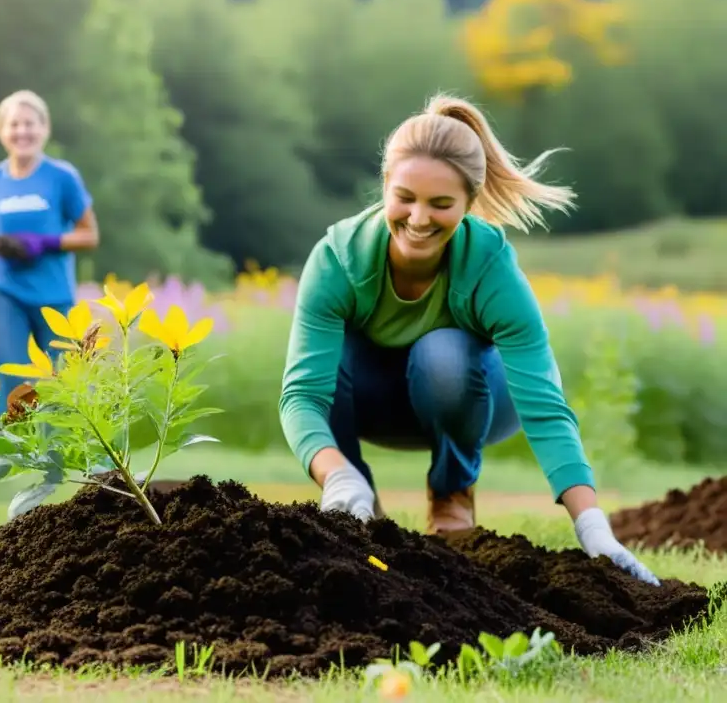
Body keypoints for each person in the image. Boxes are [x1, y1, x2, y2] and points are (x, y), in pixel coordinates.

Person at [278, 93, 660, 586]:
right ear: (385, 186)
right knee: (336, 360)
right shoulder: (338, 259)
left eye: (441, 204)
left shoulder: (489, 265)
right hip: (370, 400)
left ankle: (452, 494)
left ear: (469, 204)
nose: (418, 219)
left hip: (473, 397)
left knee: (445, 354)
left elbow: (545, 406)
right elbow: (302, 396)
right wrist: (336, 475)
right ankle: (358, 509)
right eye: (405, 198)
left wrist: (593, 528)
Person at [0, 90, 98, 451]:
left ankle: (63, 457)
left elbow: (89, 234)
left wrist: (46, 242)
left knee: (59, 379)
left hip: (53, 291)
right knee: (6, 371)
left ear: (44, 128)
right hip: (2, 288)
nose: (22, 131)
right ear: (1, 131)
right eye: (14, 124)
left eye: (30, 123)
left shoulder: (62, 177)